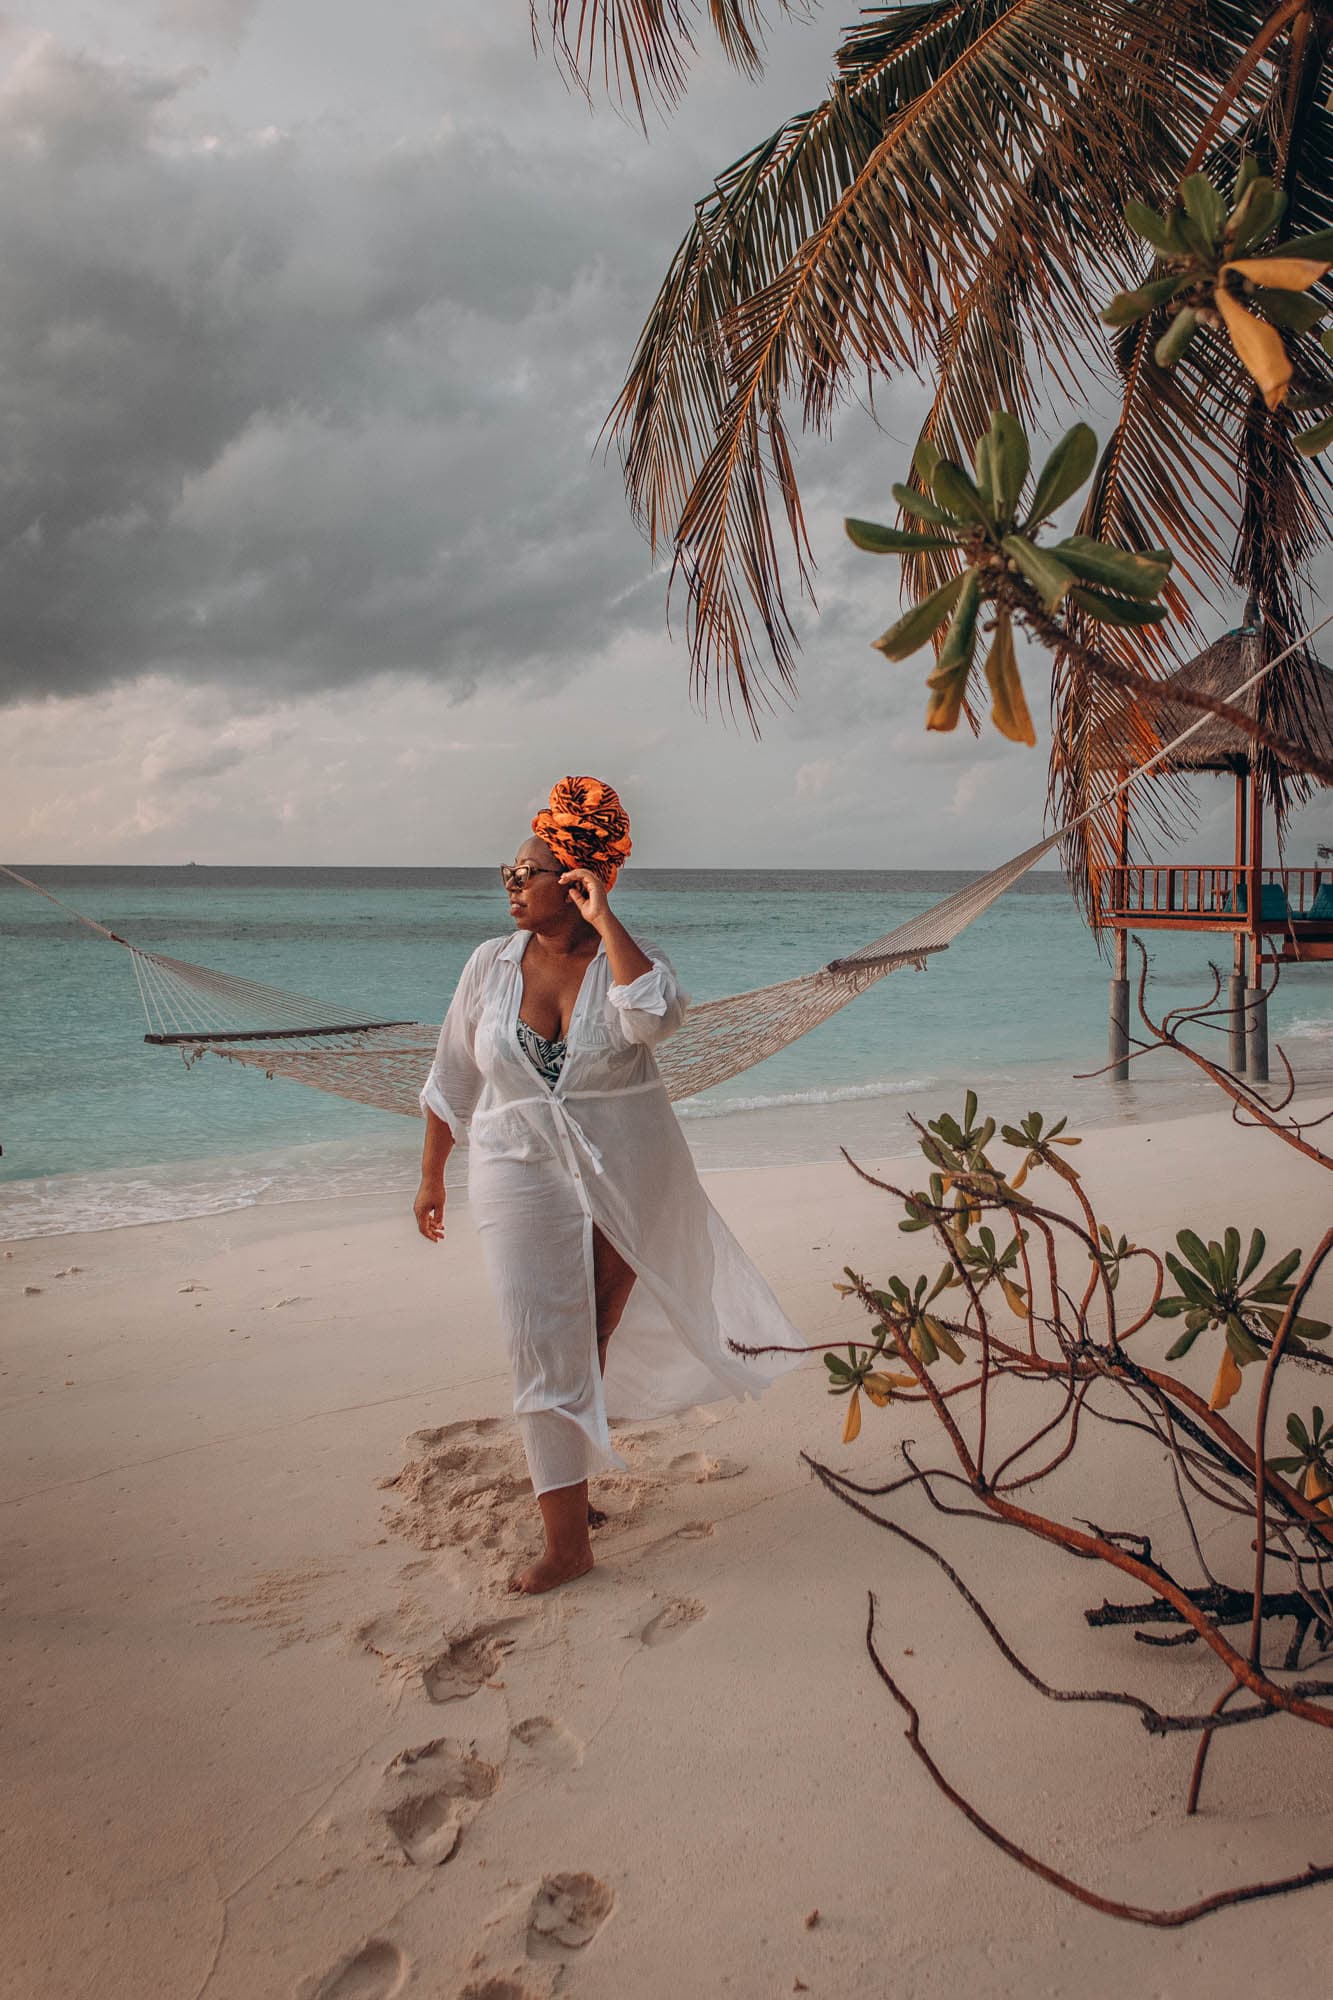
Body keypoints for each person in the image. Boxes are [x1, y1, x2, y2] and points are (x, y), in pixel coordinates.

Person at [414, 775, 801, 1594]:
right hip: (515, 1166)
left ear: (579, 878)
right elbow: (450, 1076)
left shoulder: (632, 962)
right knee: (540, 1339)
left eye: (529, 873)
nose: (512, 886)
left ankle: (569, 1490)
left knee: (593, 1329)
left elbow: (653, 1018)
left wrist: (604, 921)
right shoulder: (487, 966)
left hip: (628, 1171)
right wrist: (430, 1177)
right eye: (507, 874)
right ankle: (567, 1546)